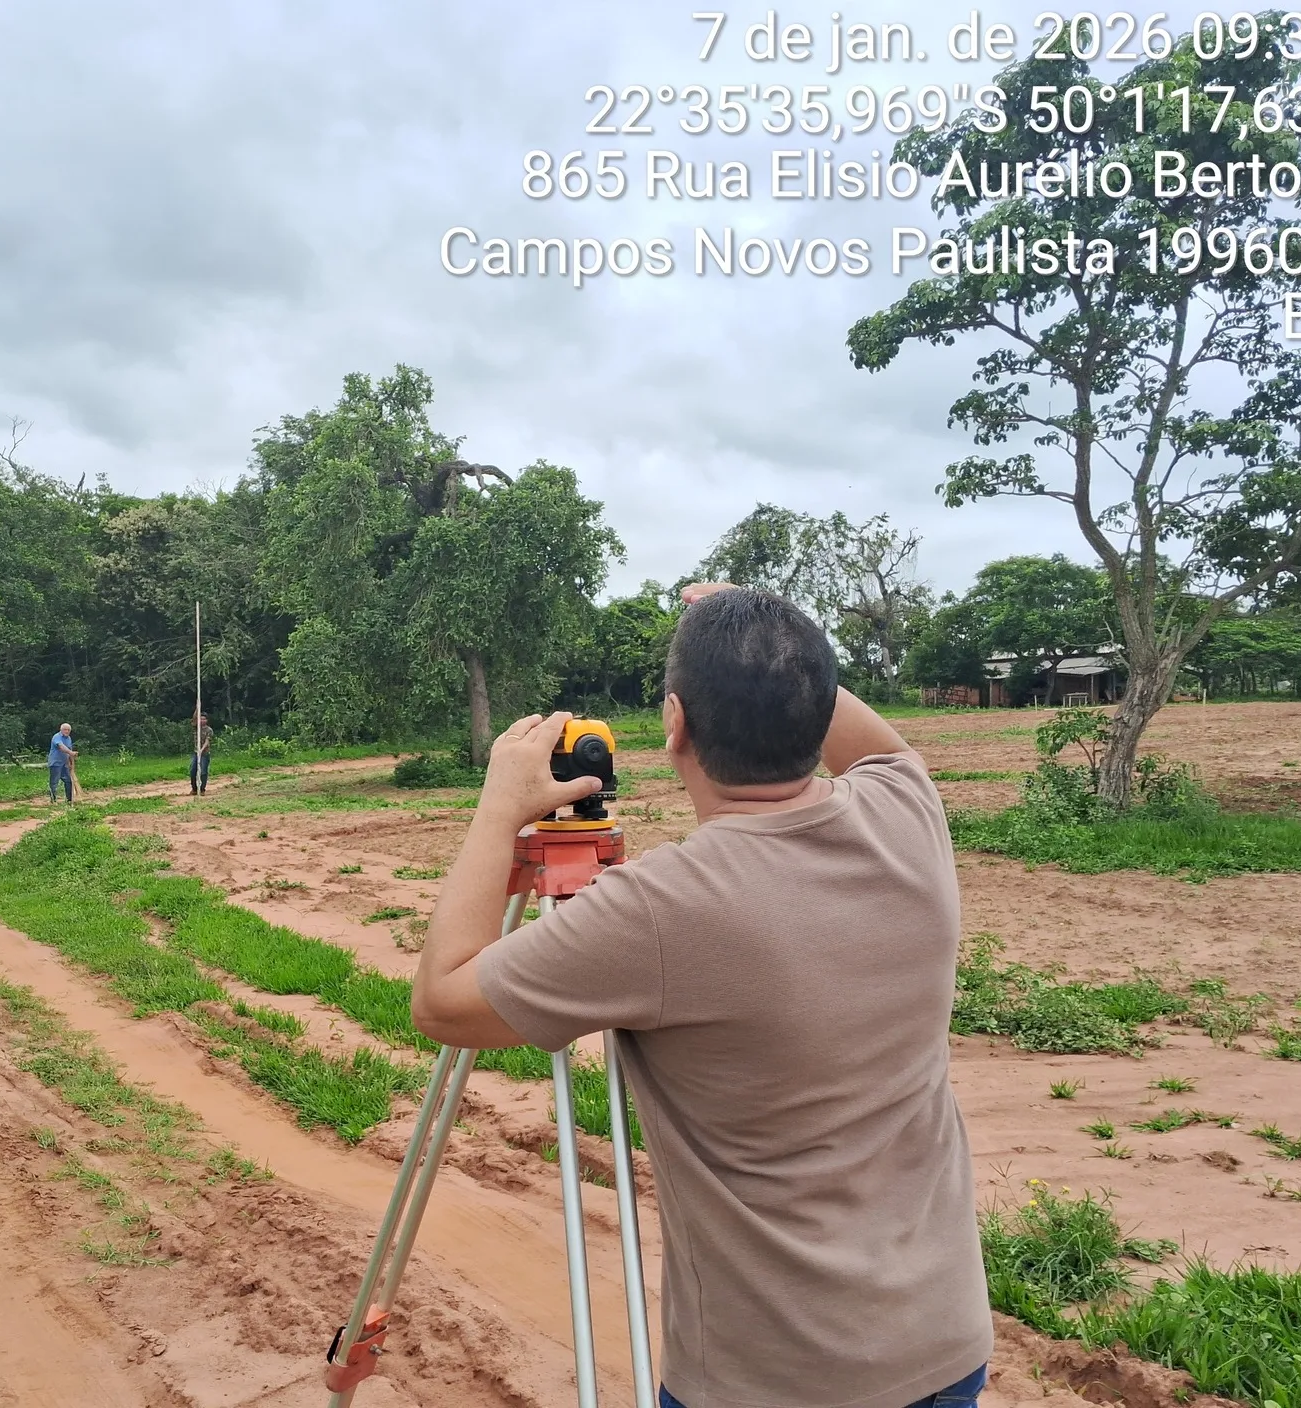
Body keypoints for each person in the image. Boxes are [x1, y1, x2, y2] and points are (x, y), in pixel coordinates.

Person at [411, 583, 991, 1408]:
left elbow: (441, 1001)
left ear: (675, 724)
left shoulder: (660, 908)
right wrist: (761, 627)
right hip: (944, 1342)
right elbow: (862, 738)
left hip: (778, 1379)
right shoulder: (906, 811)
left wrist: (501, 803)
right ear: (816, 707)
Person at [47, 722, 77, 805]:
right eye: (65, 729)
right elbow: (61, 747)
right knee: (54, 782)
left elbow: (69, 749)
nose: (67, 731)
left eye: (68, 730)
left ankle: (69, 799)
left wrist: (70, 762)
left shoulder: (69, 738)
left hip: (64, 764)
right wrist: (71, 752)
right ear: (61, 730)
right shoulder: (56, 737)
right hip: (55, 763)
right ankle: (53, 800)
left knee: (68, 781)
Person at [190, 712, 213, 795]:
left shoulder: (209, 730)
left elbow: (207, 741)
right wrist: (197, 708)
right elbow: (194, 718)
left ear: (207, 720)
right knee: (192, 770)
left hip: (205, 753)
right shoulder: (196, 727)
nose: (202, 720)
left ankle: (202, 789)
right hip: (195, 753)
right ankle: (194, 789)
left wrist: (202, 750)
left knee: (203, 771)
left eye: (204, 719)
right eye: (201, 719)